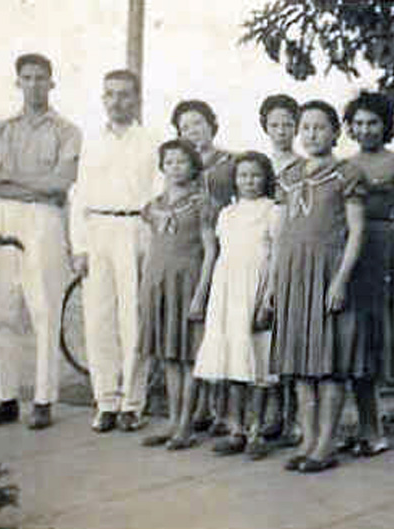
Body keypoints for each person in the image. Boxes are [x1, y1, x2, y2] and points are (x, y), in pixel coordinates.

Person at [0, 53, 81, 430]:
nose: (34, 84)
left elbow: (60, 183)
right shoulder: (0, 130)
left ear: (52, 83)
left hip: (44, 220)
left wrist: (7, 178)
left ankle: (43, 399)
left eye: (40, 78)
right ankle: (7, 399)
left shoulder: (67, 131)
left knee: (44, 309)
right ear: (17, 82)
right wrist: (33, 185)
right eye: (27, 77)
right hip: (3, 217)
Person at [270, 100, 367, 473]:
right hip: (294, 273)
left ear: (335, 132)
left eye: (320, 127)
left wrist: (341, 280)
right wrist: (275, 282)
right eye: (306, 127)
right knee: (300, 363)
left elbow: (356, 231)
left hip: (329, 272)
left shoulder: (347, 174)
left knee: (329, 361)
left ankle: (326, 443)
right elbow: (280, 233)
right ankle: (307, 439)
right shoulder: (290, 174)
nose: (311, 134)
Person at [69, 69, 161, 433]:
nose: (117, 101)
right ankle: (105, 400)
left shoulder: (151, 141)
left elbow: (159, 195)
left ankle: (132, 403)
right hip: (97, 231)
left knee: (133, 321)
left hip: (135, 229)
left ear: (136, 99)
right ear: (103, 98)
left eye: (124, 94)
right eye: (110, 94)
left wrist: (151, 241)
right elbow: (79, 196)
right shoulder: (92, 141)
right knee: (98, 320)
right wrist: (79, 247)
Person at [193, 151, 280, 459]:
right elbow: (221, 254)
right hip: (228, 292)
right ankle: (235, 429)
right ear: (234, 180)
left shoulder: (273, 211)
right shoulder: (227, 214)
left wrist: (268, 296)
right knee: (232, 360)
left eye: (256, 175)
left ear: (266, 179)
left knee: (257, 361)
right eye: (243, 175)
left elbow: (276, 257)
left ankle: (257, 431)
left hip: (256, 289)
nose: (249, 181)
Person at [139, 140, 218, 451]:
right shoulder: (154, 206)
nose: (175, 167)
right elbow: (151, 248)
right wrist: (146, 286)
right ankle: (172, 421)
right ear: (162, 167)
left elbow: (210, 250)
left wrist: (201, 293)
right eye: (169, 161)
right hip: (160, 283)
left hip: (188, 282)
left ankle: (186, 424)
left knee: (188, 356)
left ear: (193, 166)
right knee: (170, 356)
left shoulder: (202, 204)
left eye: (181, 161)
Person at [341, 91, 394, 456]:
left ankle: (375, 430)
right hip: (351, 251)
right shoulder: (344, 165)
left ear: (386, 125)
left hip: (383, 249)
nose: (366, 130)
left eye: (373, 123)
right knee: (353, 341)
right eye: (359, 123)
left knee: (375, 341)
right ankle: (362, 428)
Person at [170, 99, 234, 435]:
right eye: (184, 127)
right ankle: (197, 408)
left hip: (226, 248)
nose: (192, 131)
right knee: (196, 334)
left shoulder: (231, 162)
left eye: (197, 123)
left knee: (221, 329)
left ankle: (221, 410)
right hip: (192, 251)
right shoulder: (181, 166)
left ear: (211, 124)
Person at [256, 94, 301, 445]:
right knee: (266, 335)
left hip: (293, 251)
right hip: (262, 251)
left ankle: (294, 418)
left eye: (287, 124)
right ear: (265, 127)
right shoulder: (259, 165)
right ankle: (271, 413)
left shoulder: (303, 166)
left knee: (291, 333)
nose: (281, 130)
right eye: (275, 124)